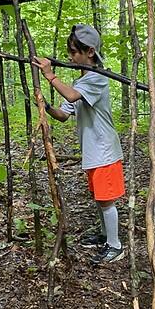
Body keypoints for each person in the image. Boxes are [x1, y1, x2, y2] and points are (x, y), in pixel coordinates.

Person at [33, 24, 125, 264]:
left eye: (74, 52)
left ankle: (115, 246)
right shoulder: (81, 81)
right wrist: (46, 107)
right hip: (92, 150)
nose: (71, 57)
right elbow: (64, 114)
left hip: (104, 148)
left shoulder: (98, 78)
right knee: (99, 197)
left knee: (106, 199)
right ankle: (106, 236)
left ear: (90, 52)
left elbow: (72, 96)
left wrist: (50, 76)